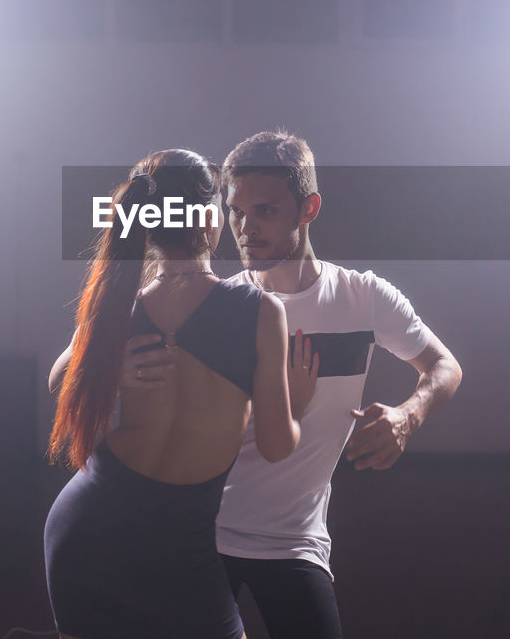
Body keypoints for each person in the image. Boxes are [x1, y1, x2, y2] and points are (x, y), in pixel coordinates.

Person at [51, 132, 463, 639]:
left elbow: (444, 366)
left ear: (308, 208)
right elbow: (72, 368)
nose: (246, 229)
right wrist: (111, 369)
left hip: (292, 542)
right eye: (236, 213)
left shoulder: (365, 298)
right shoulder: (225, 304)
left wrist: (408, 415)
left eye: (264, 212)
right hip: (198, 534)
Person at [44, 149, 317, 639]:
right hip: (174, 544)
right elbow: (278, 446)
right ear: (210, 219)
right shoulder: (259, 310)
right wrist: (295, 403)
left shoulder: (122, 304)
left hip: (86, 532)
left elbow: (57, 380)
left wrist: (110, 370)